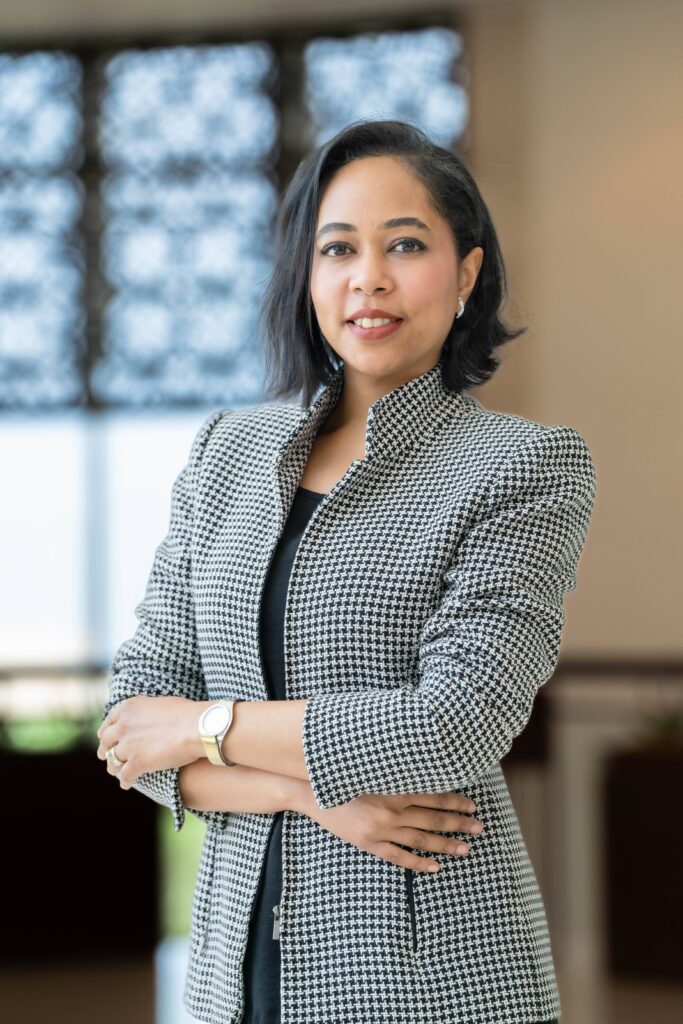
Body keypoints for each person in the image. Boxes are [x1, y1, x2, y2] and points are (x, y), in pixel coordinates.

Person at [97, 118, 596, 1024]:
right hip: (231, 970)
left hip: (424, 967)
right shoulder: (225, 453)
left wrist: (202, 727)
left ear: (467, 272)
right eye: (337, 249)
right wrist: (311, 796)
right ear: (307, 275)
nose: (368, 277)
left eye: (404, 245)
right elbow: (131, 725)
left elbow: (451, 725)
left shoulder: (522, 465)